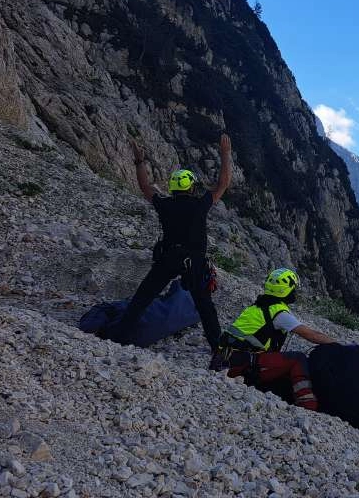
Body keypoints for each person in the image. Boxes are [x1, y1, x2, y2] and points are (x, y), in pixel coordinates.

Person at [110, 134, 232, 350]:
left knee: (143, 297)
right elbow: (223, 183)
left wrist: (140, 161)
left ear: (174, 188)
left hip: (168, 257)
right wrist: (225, 154)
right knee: (204, 305)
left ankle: (119, 335)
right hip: (193, 261)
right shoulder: (200, 205)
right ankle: (217, 348)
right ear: (192, 188)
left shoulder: (165, 205)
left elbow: (145, 187)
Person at [212, 268, 337, 411]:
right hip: (241, 365)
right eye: (293, 289)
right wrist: (338, 343)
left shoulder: (257, 306)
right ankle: (308, 406)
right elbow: (311, 335)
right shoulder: (278, 312)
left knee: (283, 376)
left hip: (223, 360)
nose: (295, 293)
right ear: (286, 290)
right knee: (297, 359)